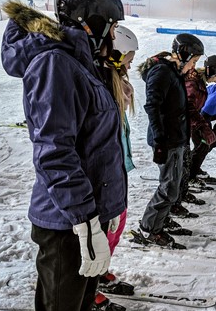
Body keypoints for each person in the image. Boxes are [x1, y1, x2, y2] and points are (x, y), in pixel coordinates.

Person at [0, 0, 127, 311]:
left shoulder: (84, 65)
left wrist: (108, 207)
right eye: (112, 26)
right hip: (66, 224)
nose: (113, 36)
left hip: (87, 217)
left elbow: (99, 145)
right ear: (92, 21)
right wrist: (84, 219)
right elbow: (54, 152)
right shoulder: (55, 64)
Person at [133, 33, 204, 249]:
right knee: (169, 188)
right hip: (167, 140)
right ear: (184, 54)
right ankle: (148, 229)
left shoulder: (173, 72)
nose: (194, 66)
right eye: (193, 60)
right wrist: (160, 140)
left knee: (173, 185)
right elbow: (152, 106)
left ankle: (159, 222)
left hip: (177, 139)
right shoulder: (162, 72)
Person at [93, 25, 139, 309]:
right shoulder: (101, 83)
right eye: (129, 56)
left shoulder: (117, 81)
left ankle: (98, 270)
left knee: (117, 224)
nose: (131, 62)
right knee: (99, 230)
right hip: (102, 171)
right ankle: (85, 284)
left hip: (117, 167)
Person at [163, 55, 216, 236]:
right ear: (210, 71)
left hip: (183, 129)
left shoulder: (198, 82)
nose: (215, 81)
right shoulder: (193, 83)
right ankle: (172, 205)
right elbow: (189, 109)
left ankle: (180, 197)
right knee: (176, 171)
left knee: (184, 167)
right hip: (178, 130)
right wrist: (203, 127)